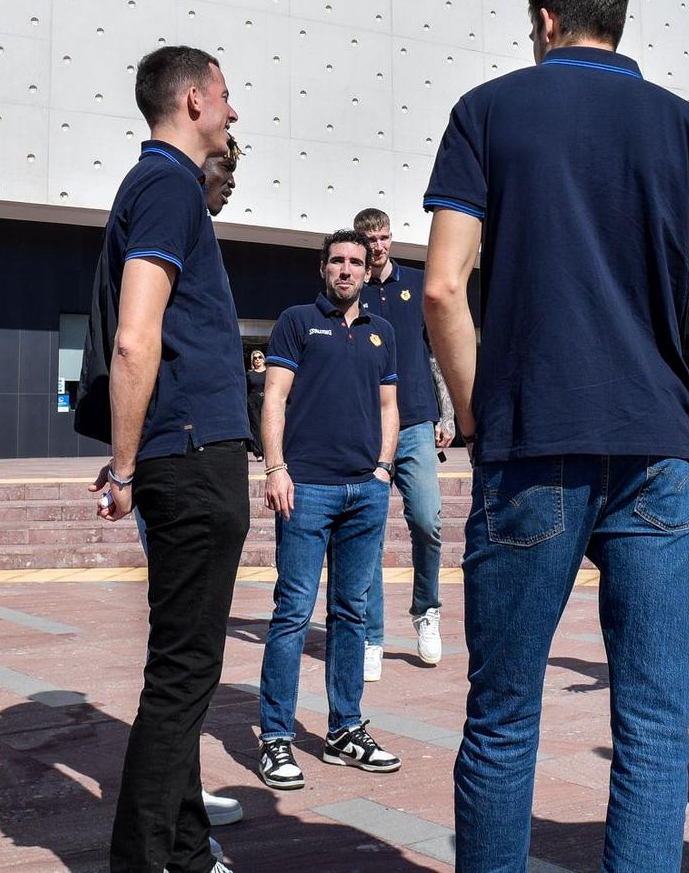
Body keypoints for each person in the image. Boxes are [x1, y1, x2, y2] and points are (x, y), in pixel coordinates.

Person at [423, 0, 689, 871]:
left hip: (530, 440)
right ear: (617, 23)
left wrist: (476, 416)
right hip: (654, 447)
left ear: (545, 21)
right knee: (653, 723)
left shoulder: (487, 110)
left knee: (503, 715)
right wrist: (681, 414)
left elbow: (443, 291)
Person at [83, 46, 247, 873]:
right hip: (190, 455)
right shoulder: (165, 187)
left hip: (187, 451)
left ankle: (186, 850)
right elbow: (135, 336)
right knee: (184, 676)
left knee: (182, 669)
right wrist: (123, 470)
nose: (233, 110)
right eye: (225, 94)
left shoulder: (165, 188)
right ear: (191, 100)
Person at [255, 230, 403, 790]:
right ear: (323, 268)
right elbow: (274, 397)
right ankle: (275, 737)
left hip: (364, 492)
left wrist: (384, 469)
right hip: (306, 489)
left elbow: (390, 406)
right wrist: (276, 468)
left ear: (369, 270)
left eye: (355, 263)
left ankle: (345, 730)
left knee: (352, 614)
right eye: (337, 261)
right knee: (293, 612)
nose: (346, 270)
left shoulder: (382, 331)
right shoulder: (297, 321)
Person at [347, 204, 450, 677]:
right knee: (368, 531)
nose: (378, 247)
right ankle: (371, 634)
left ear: (391, 238)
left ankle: (426, 610)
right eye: (370, 241)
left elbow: (437, 350)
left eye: (384, 238)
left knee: (427, 519)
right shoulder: (350, 290)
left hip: (415, 424)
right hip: (366, 427)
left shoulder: (416, 284)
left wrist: (446, 411)